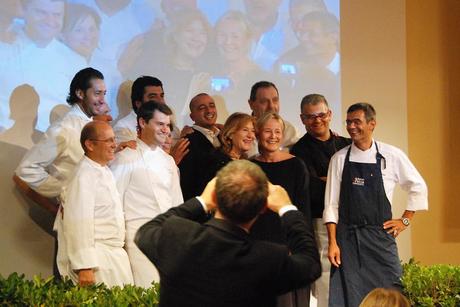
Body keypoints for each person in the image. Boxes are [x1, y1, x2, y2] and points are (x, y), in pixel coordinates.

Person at [135, 159, 321, 307]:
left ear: (215, 196)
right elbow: (310, 265)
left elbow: (146, 231)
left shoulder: (177, 237)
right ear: (264, 207)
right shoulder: (268, 258)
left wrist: (201, 201)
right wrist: (287, 208)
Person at [324, 103, 428, 306]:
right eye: (348, 122)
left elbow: (418, 187)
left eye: (357, 122)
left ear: (372, 124)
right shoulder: (338, 159)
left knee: (393, 290)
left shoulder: (391, 155)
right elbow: (331, 205)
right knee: (349, 296)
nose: (351, 127)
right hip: (347, 240)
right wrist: (333, 243)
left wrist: (405, 220)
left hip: (380, 237)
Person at [110, 101, 183, 287]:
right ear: (142, 123)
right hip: (138, 242)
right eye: (160, 124)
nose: (166, 130)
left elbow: (177, 204)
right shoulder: (126, 157)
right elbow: (114, 203)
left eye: (167, 125)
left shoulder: (168, 161)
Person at [55, 120, 133, 287]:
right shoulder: (83, 175)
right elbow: (78, 222)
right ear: (90, 144)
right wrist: (84, 266)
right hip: (96, 259)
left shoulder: (102, 170)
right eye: (109, 141)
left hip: (113, 256)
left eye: (114, 139)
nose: (114, 145)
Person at [290, 94, 350, 307]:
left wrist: (329, 179)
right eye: (310, 116)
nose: (317, 120)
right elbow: (315, 190)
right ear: (302, 119)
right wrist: (341, 181)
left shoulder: (346, 144)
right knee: (326, 277)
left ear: (330, 114)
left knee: (352, 277)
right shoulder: (299, 151)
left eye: (321, 115)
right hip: (321, 223)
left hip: (350, 222)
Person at [252, 112, 313, 307]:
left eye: (277, 131)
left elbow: (303, 210)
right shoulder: (250, 166)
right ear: (258, 133)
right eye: (267, 131)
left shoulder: (296, 165)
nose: (273, 136)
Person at [113, 75, 187, 162]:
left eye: (162, 96)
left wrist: (184, 138)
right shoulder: (123, 128)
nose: (161, 101)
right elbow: (132, 163)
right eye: (153, 97)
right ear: (138, 103)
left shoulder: (169, 122)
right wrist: (171, 159)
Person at [178, 93, 221, 200]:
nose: (209, 110)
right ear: (192, 117)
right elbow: (187, 183)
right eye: (202, 108)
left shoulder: (225, 136)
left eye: (212, 106)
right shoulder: (188, 141)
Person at [247, 81, 299, 156]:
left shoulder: (288, 129)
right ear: (251, 104)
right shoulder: (241, 131)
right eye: (264, 101)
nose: (271, 106)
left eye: (275, 100)